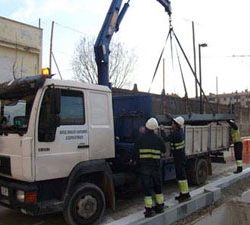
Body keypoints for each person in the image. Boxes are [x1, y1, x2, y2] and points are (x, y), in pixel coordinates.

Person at [134, 118, 166, 218]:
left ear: (146, 127)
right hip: (156, 167)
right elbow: (164, 150)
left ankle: (149, 210)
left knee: (147, 189)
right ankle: (160, 207)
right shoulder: (158, 139)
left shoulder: (140, 139)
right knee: (158, 186)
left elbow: (135, 153)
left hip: (145, 168)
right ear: (155, 129)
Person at [160, 116, 191, 203]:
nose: (172, 124)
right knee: (181, 176)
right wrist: (170, 117)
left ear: (177, 125)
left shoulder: (175, 134)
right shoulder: (179, 131)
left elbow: (165, 139)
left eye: (173, 123)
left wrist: (162, 130)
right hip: (180, 157)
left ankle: (185, 194)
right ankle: (183, 193)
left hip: (179, 158)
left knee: (181, 176)